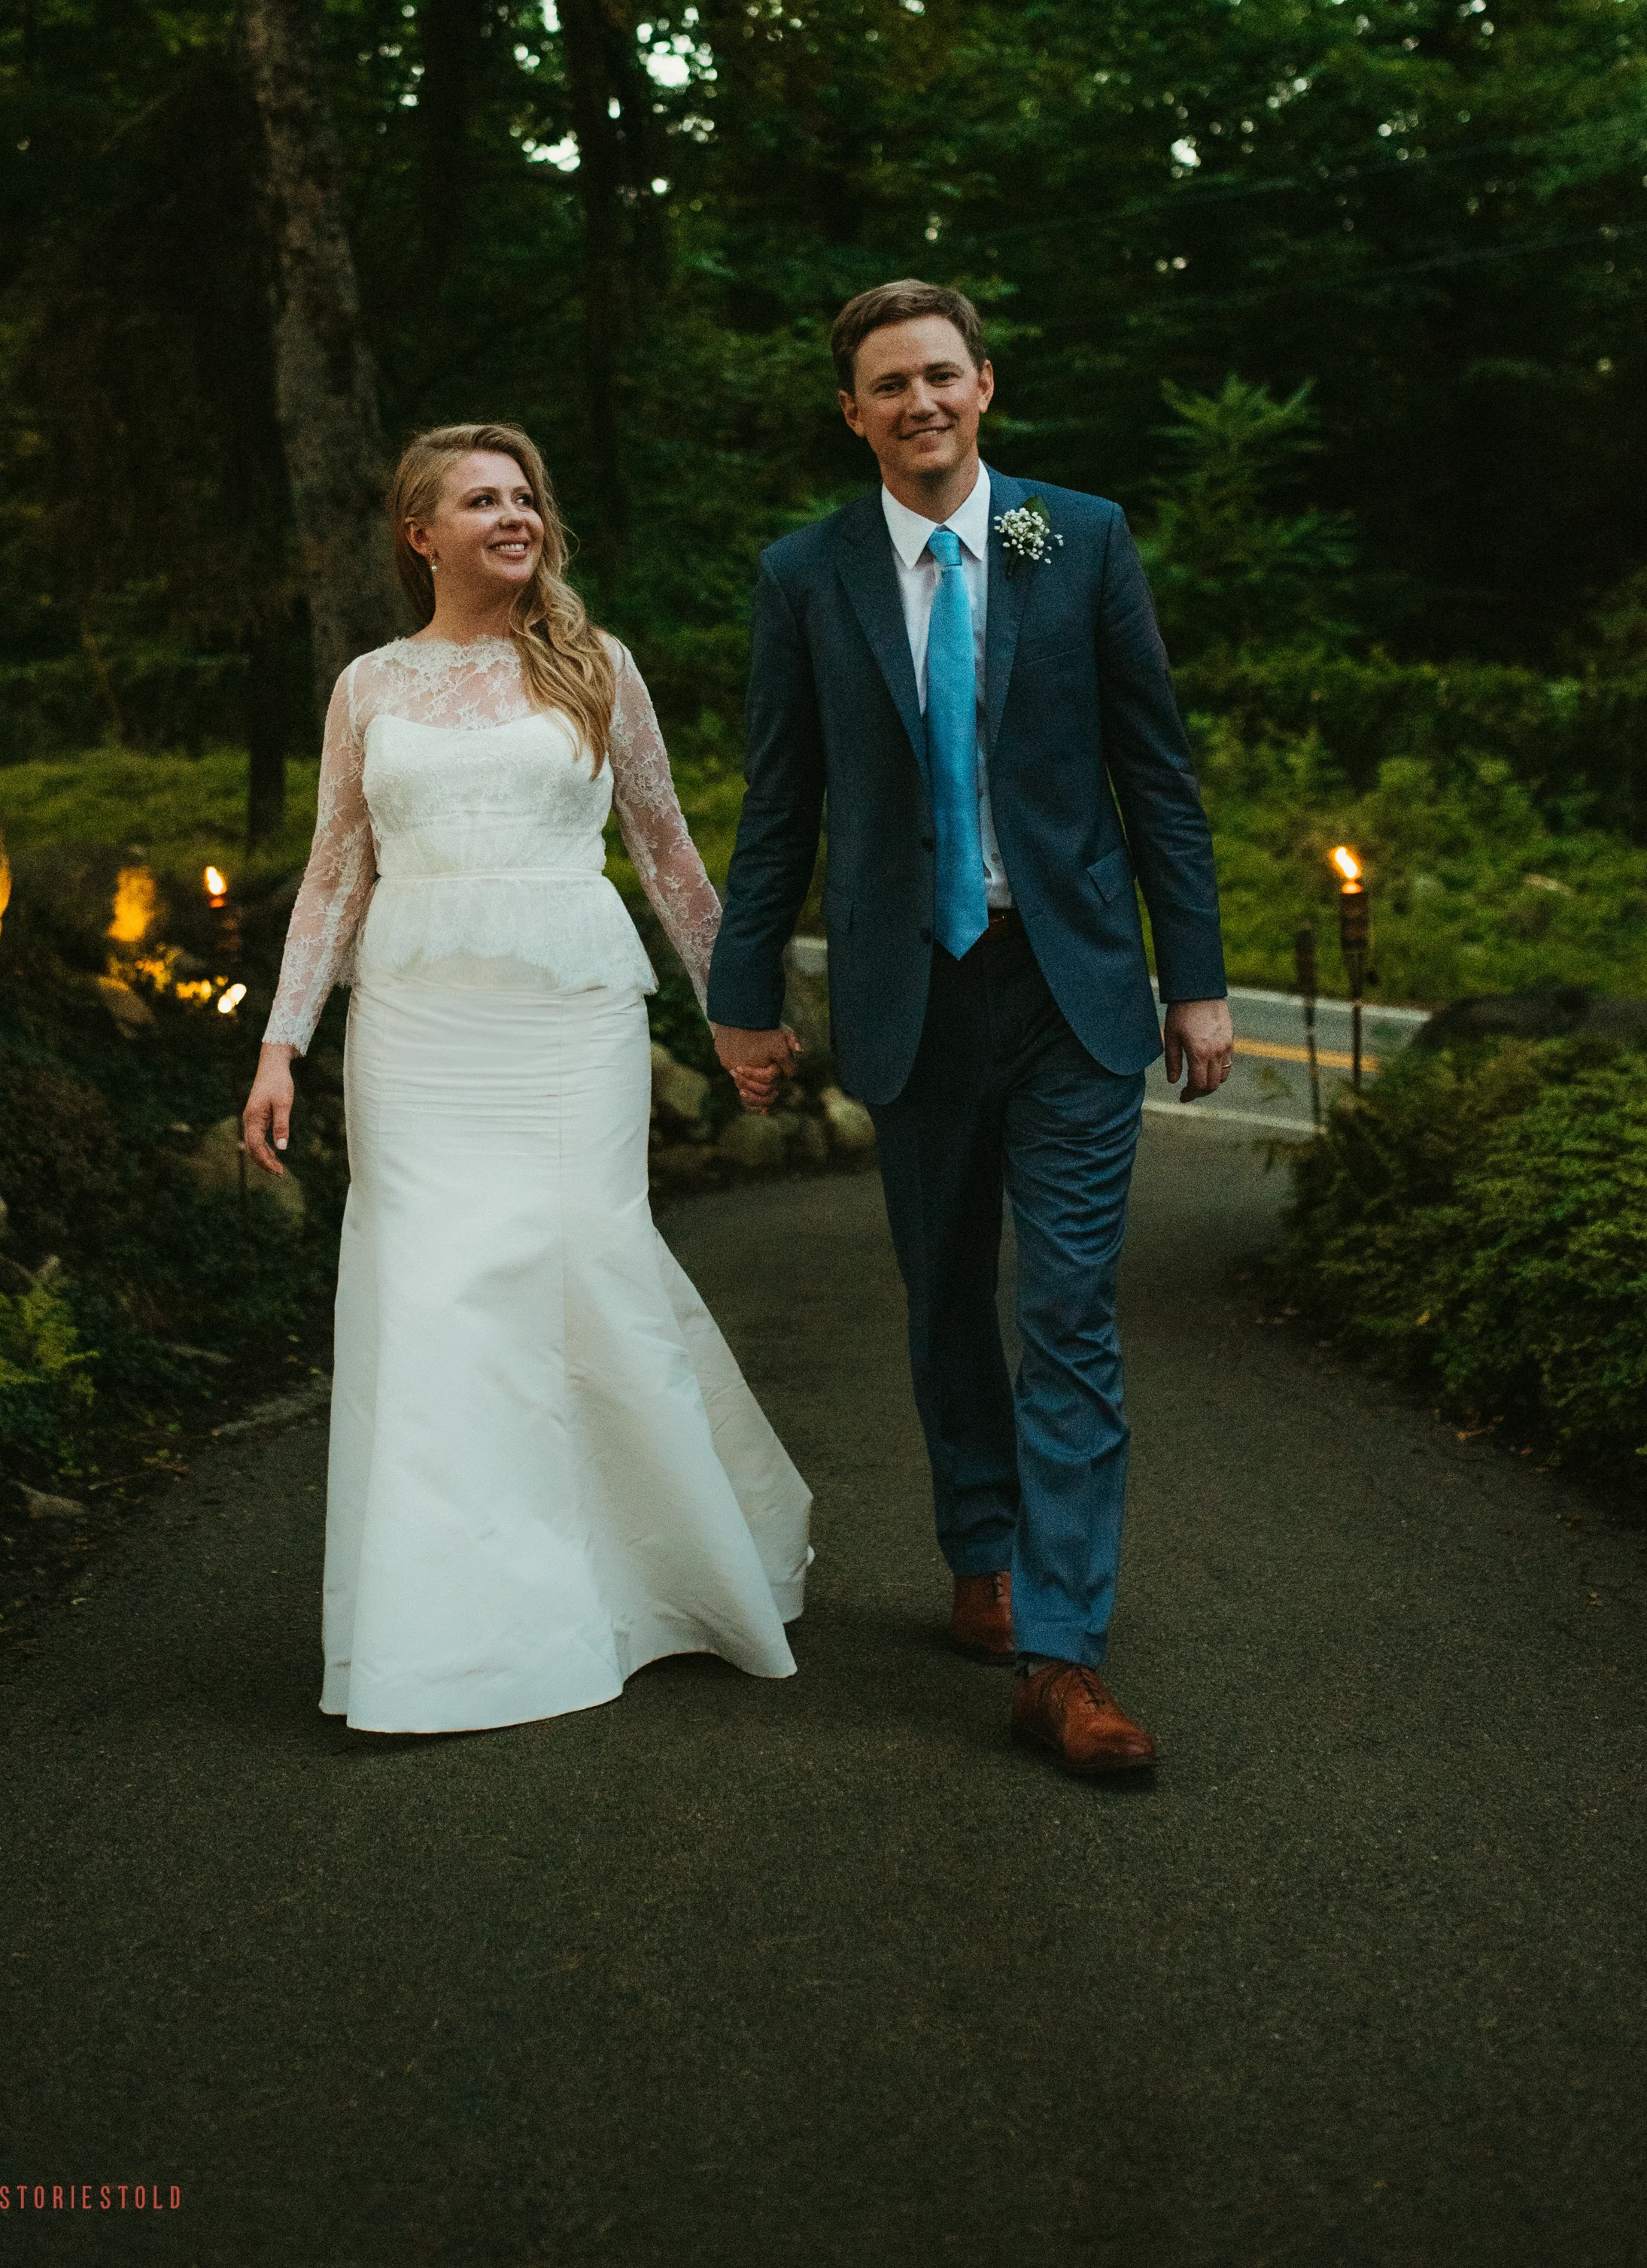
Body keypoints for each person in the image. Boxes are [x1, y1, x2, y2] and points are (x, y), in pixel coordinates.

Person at [706, 282, 1232, 1776]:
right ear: (852, 413)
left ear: (984, 387)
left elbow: (1156, 774)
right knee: (943, 1296)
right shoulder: (803, 577)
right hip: (909, 993)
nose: (918, 402)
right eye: (888, 385)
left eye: (941, 375)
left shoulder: (1079, 539)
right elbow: (778, 801)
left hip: (1067, 987)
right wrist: (741, 997)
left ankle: (1063, 1661)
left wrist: (1189, 978)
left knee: (1066, 1310)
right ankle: (979, 1546)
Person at [242, 422, 810, 1738]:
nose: (513, 516)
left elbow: (667, 852)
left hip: (567, 1025)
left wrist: (738, 1016)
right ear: (419, 533)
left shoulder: (595, 667)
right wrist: (282, 1044)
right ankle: (451, 1623)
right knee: (432, 1294)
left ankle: (659, 1576)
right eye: (481, 499)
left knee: (583, 1261)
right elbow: (336, 872)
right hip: (419, 1028)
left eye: (526, 497)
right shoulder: (369, 687)